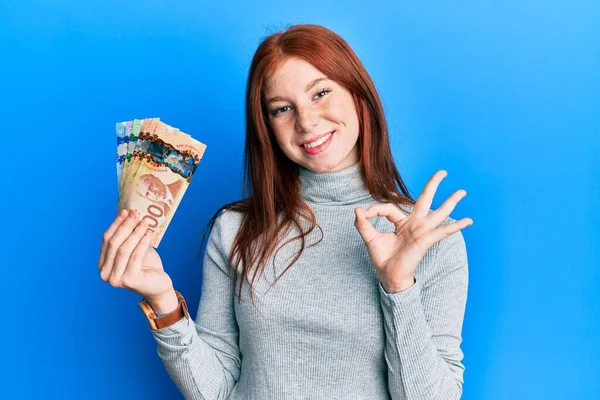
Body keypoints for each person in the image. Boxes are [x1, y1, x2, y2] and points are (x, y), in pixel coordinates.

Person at [98, 23, 473, 400]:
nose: (306, 122)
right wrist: (165, 305)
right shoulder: (235, 229)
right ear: (268, 127)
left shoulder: (429, 238)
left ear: (359, 94)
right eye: (282, 109)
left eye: (321, 93)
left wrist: (398, 287)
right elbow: (218, 391)